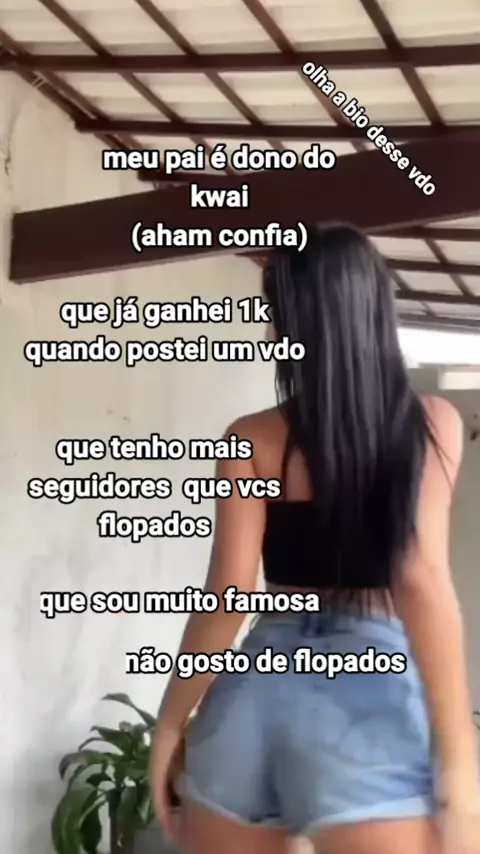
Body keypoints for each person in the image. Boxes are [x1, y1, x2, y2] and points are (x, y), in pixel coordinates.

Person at [149, 225, 480, 854]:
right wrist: (461, 767)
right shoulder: (427, 424)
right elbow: (420, 579)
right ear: (374, 310)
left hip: (252, 695)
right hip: (368, 701)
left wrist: (169, 725)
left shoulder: (250, 438)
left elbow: (226, 598)